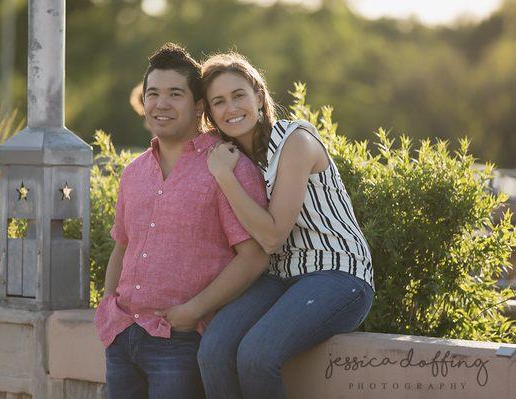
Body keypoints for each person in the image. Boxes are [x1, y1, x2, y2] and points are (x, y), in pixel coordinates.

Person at [93, 44, 269, 399]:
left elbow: (254, 256)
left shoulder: (228, 167)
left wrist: (193, 311)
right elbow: (122, 245)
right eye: (153, 94)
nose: (161, 103)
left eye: (175, 94)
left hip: (182, 341)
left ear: (198, 106)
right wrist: (108, 305)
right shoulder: (133, 172)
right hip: (123, 335)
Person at [197, 52, 375, 399]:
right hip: (278, 278)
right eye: (218, 102)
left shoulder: (296, 141)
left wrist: (223, 176)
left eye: (238, 95)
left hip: (337, 274)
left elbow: (274, 234)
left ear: (259, 97)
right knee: (213, 352)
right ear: (210, 114)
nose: (231, 107)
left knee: (256, 356)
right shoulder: (230, 154)